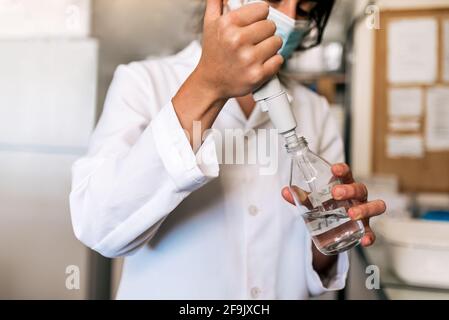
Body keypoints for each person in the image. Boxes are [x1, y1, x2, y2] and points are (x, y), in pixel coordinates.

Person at [69, 0, 386, 299]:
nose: (291, 18)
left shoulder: (315, 109)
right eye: (276, 1)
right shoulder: (144, 83)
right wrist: (209, 85)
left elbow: (312, 268)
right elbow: (100, 227)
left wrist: (334, 232)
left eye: (304, 8)